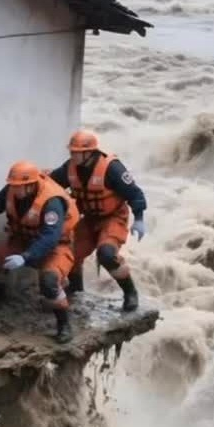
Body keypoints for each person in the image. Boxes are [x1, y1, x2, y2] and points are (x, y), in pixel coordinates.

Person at [49, 130, 147, 312]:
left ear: (90, 153)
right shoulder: (69, 168)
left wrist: (139, 218)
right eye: (72, 152)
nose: (73, 155)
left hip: (113, 217)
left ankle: (130, 292)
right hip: (88, 218)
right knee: (70, 254)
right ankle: (76, 290)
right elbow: (51, 186)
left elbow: (135, 194)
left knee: (107, 255)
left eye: (77, 152)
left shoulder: (112, 168)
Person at [0, 161, 79, 342]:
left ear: (32, 185)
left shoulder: (52, 201)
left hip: (55, 247)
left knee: (49, 281)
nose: (17, 190)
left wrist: (25, 257)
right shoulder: (12, 190)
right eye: (14, 185)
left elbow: (50, 237)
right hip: (23, 241)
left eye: (21, 186)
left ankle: (64, 325)